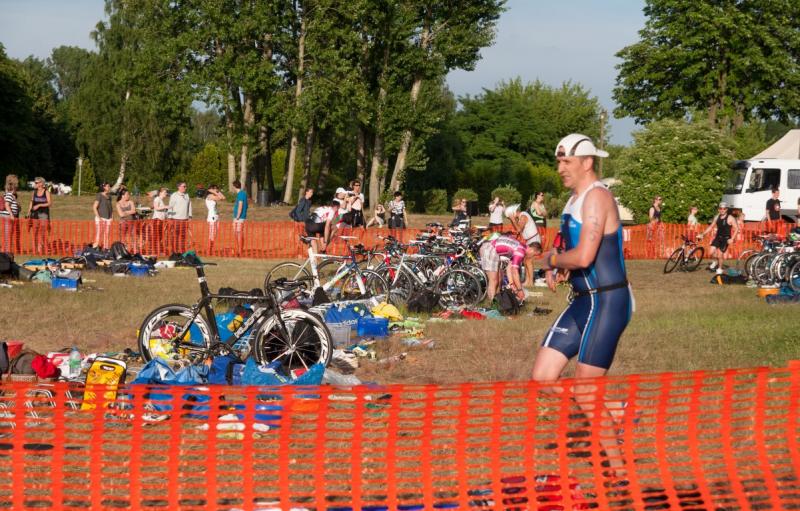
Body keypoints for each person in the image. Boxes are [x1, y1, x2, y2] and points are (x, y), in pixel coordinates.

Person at [536, 134, 633, 441]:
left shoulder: (597, 197)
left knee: (585, 390)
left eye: (567, 162)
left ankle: (615, 463)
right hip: (582, 300)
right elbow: (574, 249)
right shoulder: (573, 199)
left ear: (587, 162)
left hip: (607, 300)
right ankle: (617, 410)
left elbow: (585, 256)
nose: (560, 169)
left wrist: (552, 260)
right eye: (558, 162)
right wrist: (561, 263)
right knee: (542, 378)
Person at [479, 232, 530, 303]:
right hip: (489, 248)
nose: (532, 258)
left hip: (492, 249)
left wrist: (512, 284)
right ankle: (492, 303)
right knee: (493, 280)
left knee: (500, 278)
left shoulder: (521, 246)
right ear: (532, 250)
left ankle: (498, 301)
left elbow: (509, 268)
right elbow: (515, 272)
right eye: (534, 255)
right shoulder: (521, 251)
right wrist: (520, 290)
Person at [505, 204, 543, 288]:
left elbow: (519, 229)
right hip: (530, 240)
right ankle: (527, 281)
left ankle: (530, 282)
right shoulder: (521, 217)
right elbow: (517, 229)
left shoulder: (523, 216)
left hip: (534, 240)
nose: (510, 218)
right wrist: (512, 220)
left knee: (528, 260)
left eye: (510, 216)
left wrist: (513, 219)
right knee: (525, 260)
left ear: (513, 212)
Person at [698, 201, 740, 274]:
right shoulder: (717, 217)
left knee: (719, 255)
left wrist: (732, 239)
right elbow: (711, 226)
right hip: (718, 237)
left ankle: (720, 269)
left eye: (724, 208)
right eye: (721, 208)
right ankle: (715, 262)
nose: (722, 210)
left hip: (726, 239)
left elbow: (736, 228)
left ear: (726, 209)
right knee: (710, 252)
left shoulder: (730, 218)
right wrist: (703, 234)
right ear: (718, 209)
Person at [27, 177, 52, 255]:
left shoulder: (46, 192)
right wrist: (28, 212)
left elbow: (49, 203)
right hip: (35, 214)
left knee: (43, 232)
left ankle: (41, 248)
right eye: (35, 182)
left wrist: (39, 205)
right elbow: (31, 202)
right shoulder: (34, 192)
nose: (35, 184)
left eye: (36, 182)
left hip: (43, 214)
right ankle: (34, 249)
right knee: (35, 231)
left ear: (41, 183)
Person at [168, 181, 192, 254]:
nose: (185, 188)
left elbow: (190, 206)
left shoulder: (187, 195)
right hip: (176, 219)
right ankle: (174, 251)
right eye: (184, 186)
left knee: (183, 236)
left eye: (186, 186)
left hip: (185, 220)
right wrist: (170, 217)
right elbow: (170, 207)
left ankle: (182, 251)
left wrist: (190, 216)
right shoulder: (174, 195)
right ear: (179, 187)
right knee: (175, 236)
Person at [1, 174, 21, 253]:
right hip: (7, 217)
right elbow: (7, 205)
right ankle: (6, 252)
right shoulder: (9, 194)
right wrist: (11, 215)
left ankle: (6, 251)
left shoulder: (10, 195)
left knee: (8, 235)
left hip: (7, 217)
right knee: (7, 235)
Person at [205, 184, 225, 254]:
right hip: (212, 216)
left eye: (217, 188)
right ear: (210, 189)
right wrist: (214, 192)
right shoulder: (209, 196)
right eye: (214, 188)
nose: (216, 189)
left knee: (214, 234)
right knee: (211, 234)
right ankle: (209, 250)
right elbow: (220, 198)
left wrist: (217, 191)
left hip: (216, 216)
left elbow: (223, 197)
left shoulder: (214, 195)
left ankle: (211, 249)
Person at [150, 187, 169, 254]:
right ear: (160, 193)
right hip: (157, 220)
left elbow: (163, 211)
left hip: (161, 220)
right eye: (165, 192)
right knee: (156, 236)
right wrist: (165, 206)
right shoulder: (157, 199)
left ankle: (157, 249)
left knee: (159, 236)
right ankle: (154, 250)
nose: (166, 193)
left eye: (166, 192)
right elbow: (156, 208)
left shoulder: (161, 200)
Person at [232, 179, 247, 256]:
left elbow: (240, 205)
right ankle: (239, 249)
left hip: (239, 217)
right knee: (238, 233)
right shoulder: (242, 193)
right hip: (240, 217)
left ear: (234, 187)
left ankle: (239, 250)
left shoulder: (240, 194)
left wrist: (237, 216)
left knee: (238, 233)